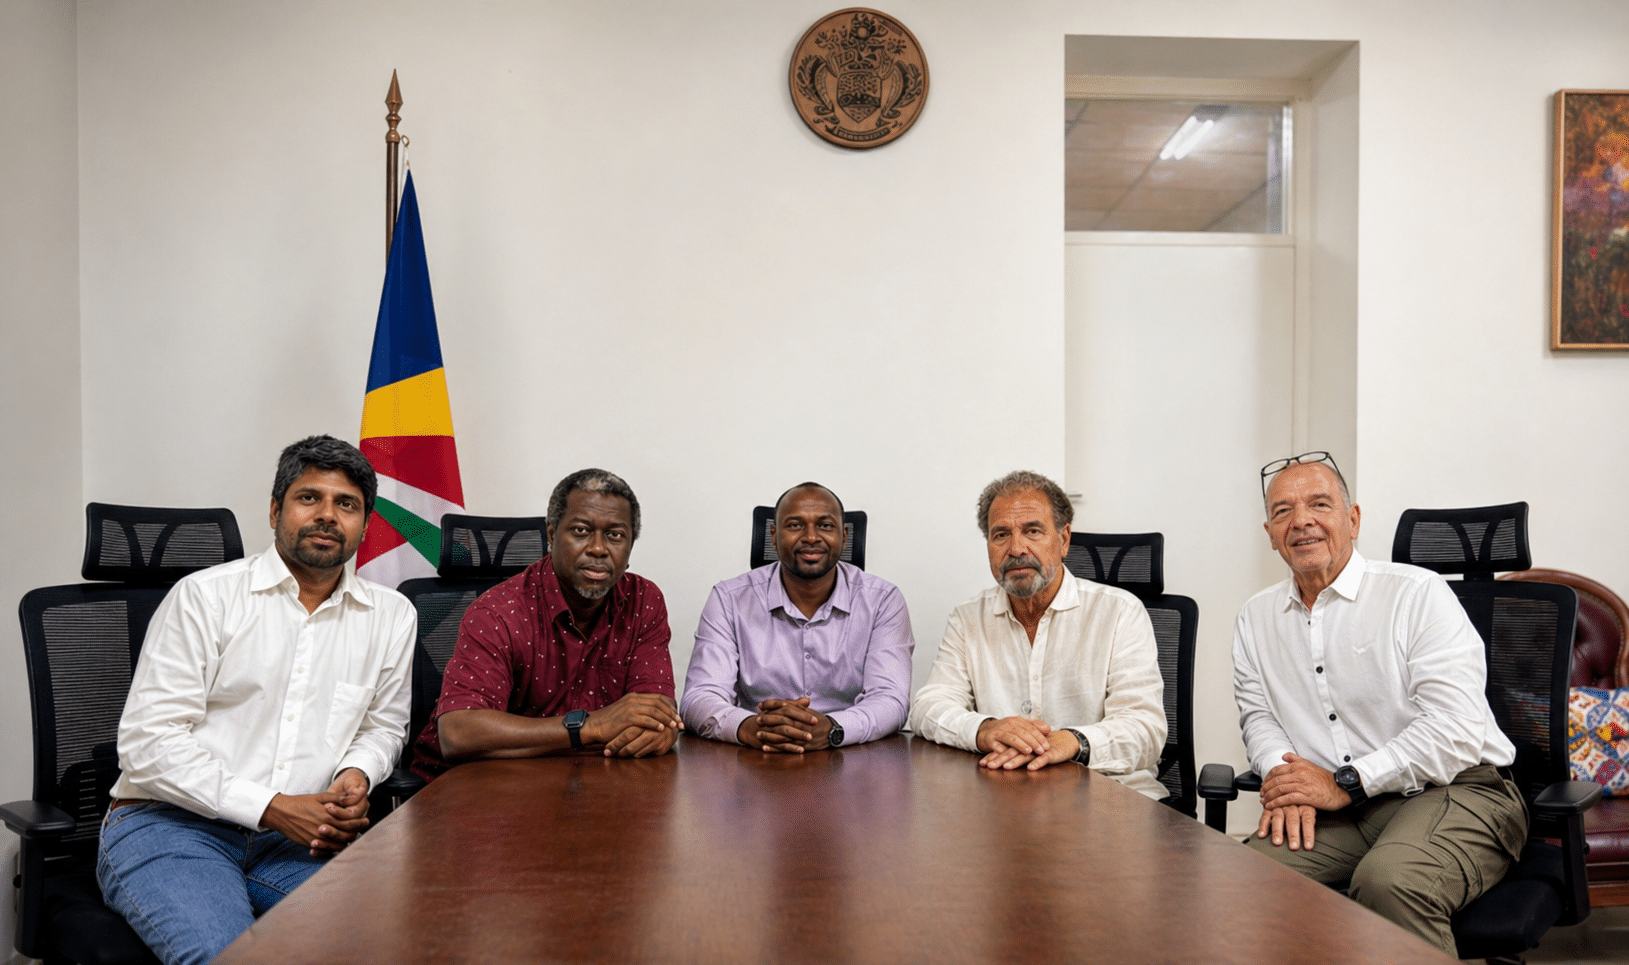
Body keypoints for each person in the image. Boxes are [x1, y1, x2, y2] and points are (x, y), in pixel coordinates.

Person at [97, 435, 417, 965]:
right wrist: (271, 807)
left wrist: (356, 774)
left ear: (365, 525)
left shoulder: (391, 615)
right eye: (309, 498)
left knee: (394, 945)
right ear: (274, 511)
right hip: (171, 826)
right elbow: (147, 744)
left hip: (299, 841)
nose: (327, 515)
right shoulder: (205, 597)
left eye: (347, 504)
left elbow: (382, 728)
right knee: (228, 955)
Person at [1233, 451, 1527, 955]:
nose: (1301, 521)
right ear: (1270, 533)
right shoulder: (1255, 617)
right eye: (1283, 511)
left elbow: (1453, 729)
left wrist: (1345, 782)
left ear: (1353, 519)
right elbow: (1258, 716)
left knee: (1390, 882)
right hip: (1341, 808)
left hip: (1457, 788)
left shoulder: (1416, 594)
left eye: (1319, 504)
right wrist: (1290, 780)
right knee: (1241, 877)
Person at [908, 470, 1166, 797]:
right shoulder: (968, 618)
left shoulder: (1119, 612)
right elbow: (928, 708)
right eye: (1001, 535)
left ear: (1064, 539)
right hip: (1005, 797)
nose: (1016, 548)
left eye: (1032, 531)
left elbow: (1145, 730)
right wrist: (984, 729)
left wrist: (1071, 741)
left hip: (1109, 796)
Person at [412, 468, 680, 778]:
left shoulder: (643, 600)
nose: (598, 548)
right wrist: (590, 726)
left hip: (588, 780)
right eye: (581, 531)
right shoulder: (497, 613)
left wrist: (662, 728)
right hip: (473, 784)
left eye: (615, 535)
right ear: (552, 536)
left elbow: (656, 711)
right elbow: (458, 733)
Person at [680, 482, 914, 751]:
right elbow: (700, 695)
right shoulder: (729, 599)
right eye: (794, 525)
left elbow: (890, 699)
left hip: (849, 758)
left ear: (845, 536)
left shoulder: (882, 600)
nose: (811, 537)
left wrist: (834, 729)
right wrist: (750, 727)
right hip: (756, 756)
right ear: (773, 535)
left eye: (825, 525)